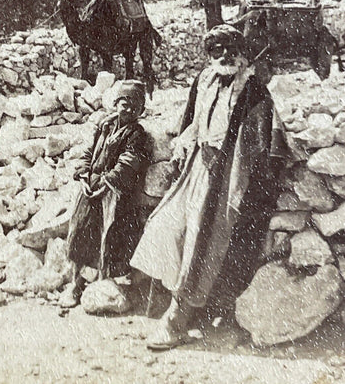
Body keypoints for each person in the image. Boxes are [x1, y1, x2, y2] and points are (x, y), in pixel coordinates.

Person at [130, 25, 285, 350]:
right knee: (164, 224)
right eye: (217, 51)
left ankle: (178, 317)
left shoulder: (254, 91)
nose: (225, 57)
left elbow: (259, 146)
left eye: (231, 50)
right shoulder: (204, 80)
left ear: (243, 55)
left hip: (231, 178)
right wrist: (186, 147)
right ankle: (168, 300)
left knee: (204, 237)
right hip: (197, 167)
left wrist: (232, 177)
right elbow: (190, 123)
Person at [60, 80, 151, 308]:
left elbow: (128, 164)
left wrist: (106, 182)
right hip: (92, 188)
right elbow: (89, 151)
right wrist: (83, 172)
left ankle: (103, 284)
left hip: (116, 194)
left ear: (141, 110)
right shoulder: (105, 125)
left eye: (134, 105)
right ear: (115, 103)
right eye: (124, 103)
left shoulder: (136, 134)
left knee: (109, 240)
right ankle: (76, 282)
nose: (128, 109)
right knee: (82, 229)